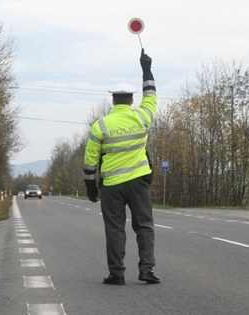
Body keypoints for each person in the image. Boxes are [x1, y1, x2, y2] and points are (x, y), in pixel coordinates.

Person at [83, 49, 159, 285]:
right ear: (132, 101)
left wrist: (90, 187)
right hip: (139, 182)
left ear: (113, 100)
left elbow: (89, 161)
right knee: (144, 226)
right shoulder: (142, 117)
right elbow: (151, 94)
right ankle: (146, 270)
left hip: (111, 186)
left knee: (115, 229)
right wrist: (146, 68)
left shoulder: (101, 126)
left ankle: (117, 273)